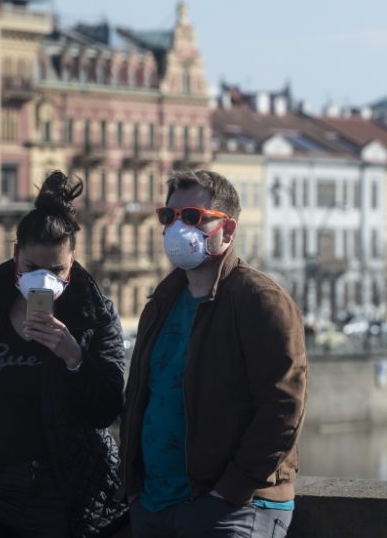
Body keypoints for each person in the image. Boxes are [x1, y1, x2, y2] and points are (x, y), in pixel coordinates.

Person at [0, 171, 128, 538]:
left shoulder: (93, 314)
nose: (43, 280)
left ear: (73, 261)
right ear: (17, 256)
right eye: (33, 269)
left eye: (56, 270)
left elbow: (108, 407)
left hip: (65, 488)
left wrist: (74, 359)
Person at [119, 169, 307, 537]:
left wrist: (229, 492)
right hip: (154, 505)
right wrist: (132, 489)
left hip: (235, 507)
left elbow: (283, 408)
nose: (177, 228)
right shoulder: (161, 301)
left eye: (192, 217)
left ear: (228, 230)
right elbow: (141, 395)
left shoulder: (260, 300)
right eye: (168, 217)